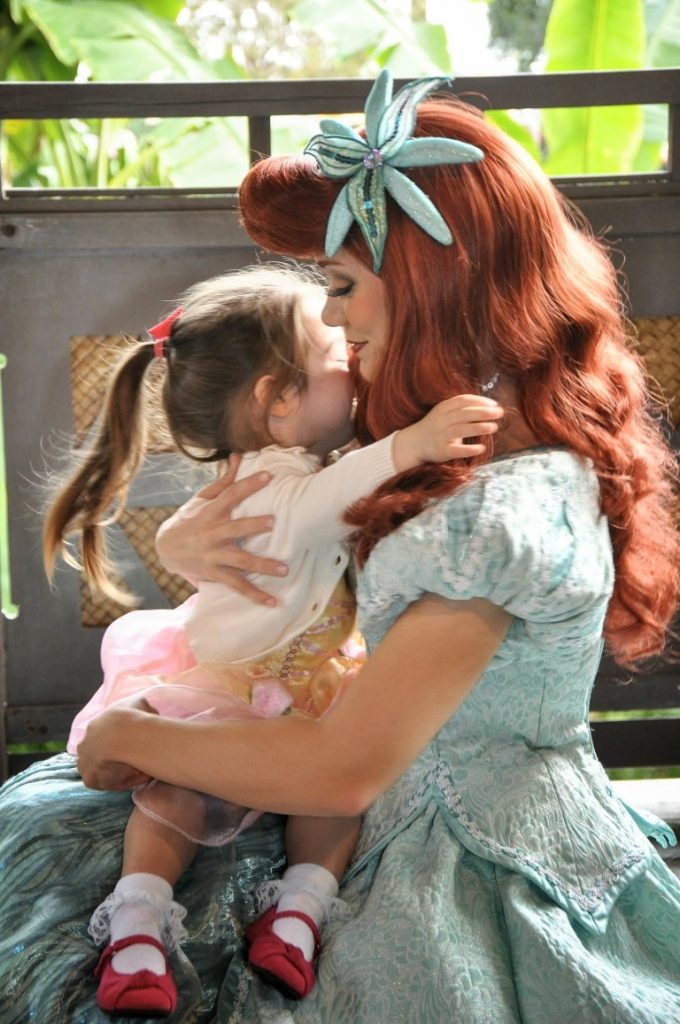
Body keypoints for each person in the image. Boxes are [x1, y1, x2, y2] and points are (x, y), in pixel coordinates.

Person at [0, 68, 678, 1024]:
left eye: (344, 285)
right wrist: (194, 543)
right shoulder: (453, 432)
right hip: (353, 796)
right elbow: (296, 525)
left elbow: (347, 768)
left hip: (459, 848)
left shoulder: (505, 514)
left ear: (432, 290)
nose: (330, 315)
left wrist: (126, 736)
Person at [41, 262, 501, 1018]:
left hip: (303, 680)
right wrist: (417, 440)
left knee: (296, 795)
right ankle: (146, 920)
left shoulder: (265, 467)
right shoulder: (280, 489)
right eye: (336, 365)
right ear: (278, 400)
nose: (353, 372)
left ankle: (273, 916)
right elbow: (335, 496)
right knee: (178, 794)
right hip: (238, 681)